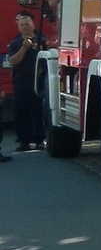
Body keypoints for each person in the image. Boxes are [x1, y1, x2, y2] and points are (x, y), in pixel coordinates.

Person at [7, 11, 47, 152]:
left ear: (33, 25)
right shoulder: (15, 43)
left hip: (37, 80)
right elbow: (13, 61)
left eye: (27, 24)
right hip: (21, 80)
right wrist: (24, 47)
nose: (25, 27)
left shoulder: (42, 40)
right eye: (22, 25)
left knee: (38, 110)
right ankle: (24, 141)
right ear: (19, 27)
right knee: (21, 111)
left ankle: (39, 140)